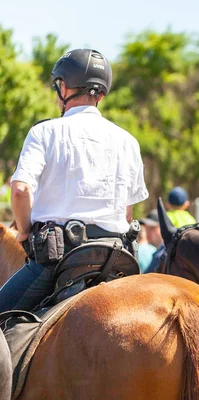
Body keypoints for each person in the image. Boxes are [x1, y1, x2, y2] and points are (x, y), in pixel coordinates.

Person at [0, 49, 148, 312]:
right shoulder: (128, 141)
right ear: (101, 94)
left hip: (58, 260)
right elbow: (127, 213)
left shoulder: (44, 132)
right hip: (117, 260)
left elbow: (20, 189)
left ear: (63, 87)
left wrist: (23, 230)